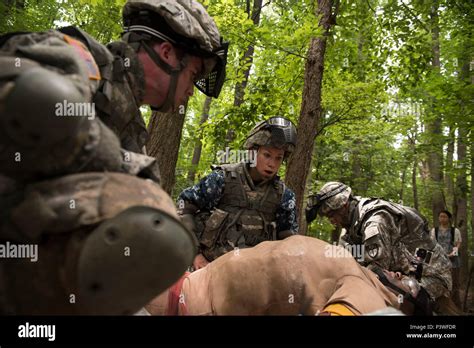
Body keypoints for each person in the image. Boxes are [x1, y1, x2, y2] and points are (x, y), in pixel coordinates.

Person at [0, 0, 227, 314]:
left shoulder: (131, 127)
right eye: (194, 73)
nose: (192, 90)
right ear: (167, 53)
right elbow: (30, 96)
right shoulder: (78, 59)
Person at [145, 235, 431, 316]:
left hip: (194, 303)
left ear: (403, 303)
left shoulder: (372, 296)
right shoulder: (354, 268)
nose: (398, 272)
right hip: (191, 280)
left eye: (408, 283)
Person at [305, 182, 452, 313]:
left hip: (432, 274)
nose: (332, 221)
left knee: (395, 290)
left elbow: (376, 273)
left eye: (332, 215)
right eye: (327, 217)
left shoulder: (375, 222)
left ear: (344, 206)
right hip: (404, 271)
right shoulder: (353, 227)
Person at [177, 117, 298, 270]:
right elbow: (184, 207)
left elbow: (289, 241)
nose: (272, 164)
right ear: (253, 152)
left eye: (278, 158)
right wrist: (195, 255)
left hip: (255, 277)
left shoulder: (285, 196)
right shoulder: (220, 179)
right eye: (267, 155)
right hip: (209, 270)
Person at [431, 210, 462, 308]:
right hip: (439, 261)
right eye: (440, 216)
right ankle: (442, 306)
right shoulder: (434, 231)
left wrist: (453, 253)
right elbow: (432, 244)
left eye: (444, 216)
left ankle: (456, 306)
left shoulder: (454, 231)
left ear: (448, 218)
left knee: (454, 283)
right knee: (441, 282)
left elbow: (458, 243)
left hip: (453, 261)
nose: (442, 218)